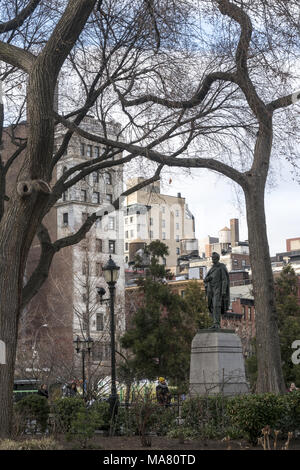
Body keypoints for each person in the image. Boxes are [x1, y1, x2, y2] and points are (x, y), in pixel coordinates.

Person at [204, 252, 230, 329]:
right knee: (211, 306)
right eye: (212, 258)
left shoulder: (221, 267)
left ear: (218, 258)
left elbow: (224, 280)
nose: (212, 260)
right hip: (210, 290)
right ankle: (214, 322)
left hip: (218, 289)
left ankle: (217, 323)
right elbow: (205, 279)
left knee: (216, 305)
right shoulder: (212, 268)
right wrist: (208, 279)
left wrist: (223, 291)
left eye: (214, 258)